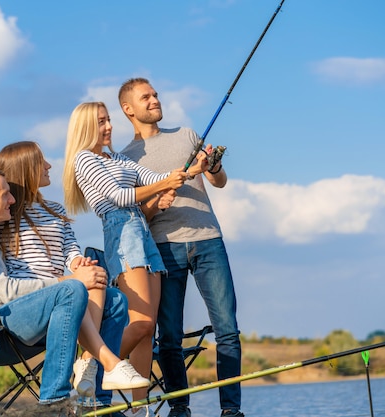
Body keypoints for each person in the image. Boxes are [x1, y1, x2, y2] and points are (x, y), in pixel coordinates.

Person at [0, 166, 149, 413]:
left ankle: (96, 402)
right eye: (5, 194)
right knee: (71, 289)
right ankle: (53, 401)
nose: (12, 200)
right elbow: (6, 290)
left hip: (2, 318)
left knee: (114, 301)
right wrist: (68, 280)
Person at [63, 102, 204, 417]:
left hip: (142, 232)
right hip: (122, 232)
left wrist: (190, 171)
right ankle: (88, 364)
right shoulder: (84, 160)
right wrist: (162, 186)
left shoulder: (116, 157)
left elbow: (154, 176)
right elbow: (120, 197)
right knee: (139, 324)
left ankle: (137, 409)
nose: (109, 126)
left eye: (109, 119)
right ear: (85, 126)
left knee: (147, 327)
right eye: (101, 121)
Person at [119, 78, 244, 417]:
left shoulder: (187, 135)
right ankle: (179, 408)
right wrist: (155, 204)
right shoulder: (125, 158)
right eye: (146, 97)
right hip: (163, 249)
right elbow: (134, 216)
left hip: (208, 241)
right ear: (128, 108)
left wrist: (213, 165)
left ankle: (231, 410)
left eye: (156, 94)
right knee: (170, 336)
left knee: (227, 330)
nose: (154, 100)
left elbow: (219, 180)